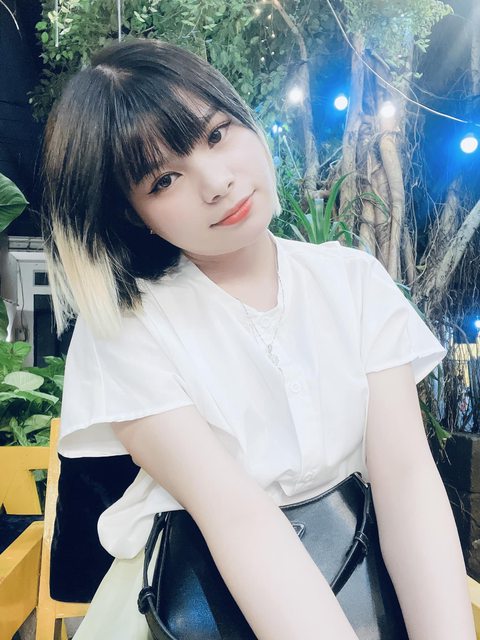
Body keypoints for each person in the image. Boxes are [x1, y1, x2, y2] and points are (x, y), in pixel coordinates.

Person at [40, 38, 476, 640]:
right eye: (164, 179)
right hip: (197, 608)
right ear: (132, 214)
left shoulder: (352, 282)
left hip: (358, 580)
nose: (217, 182)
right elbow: (235, 515)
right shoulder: (128, 325)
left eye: (217, 134)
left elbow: (406, 479)